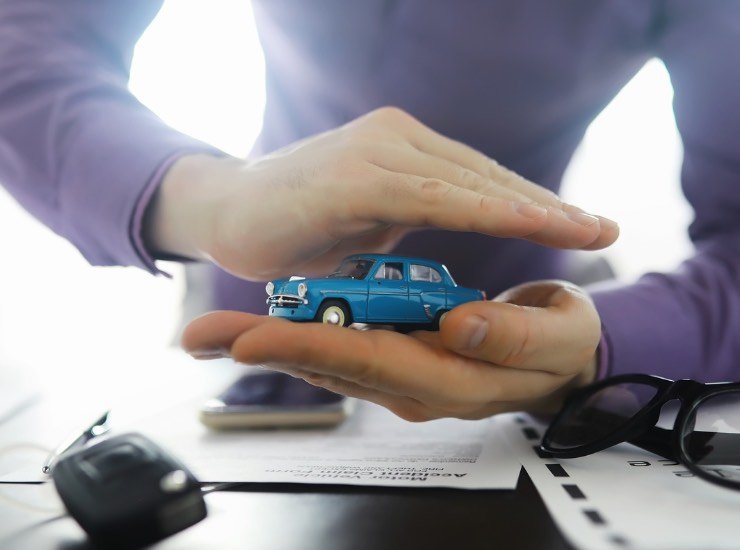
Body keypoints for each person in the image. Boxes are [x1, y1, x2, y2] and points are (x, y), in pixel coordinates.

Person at [0, 1, 738, 421]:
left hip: (527, 361)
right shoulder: (314, 297)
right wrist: (204, 196)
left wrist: (595, 347)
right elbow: (25, 44)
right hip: (241, 330)